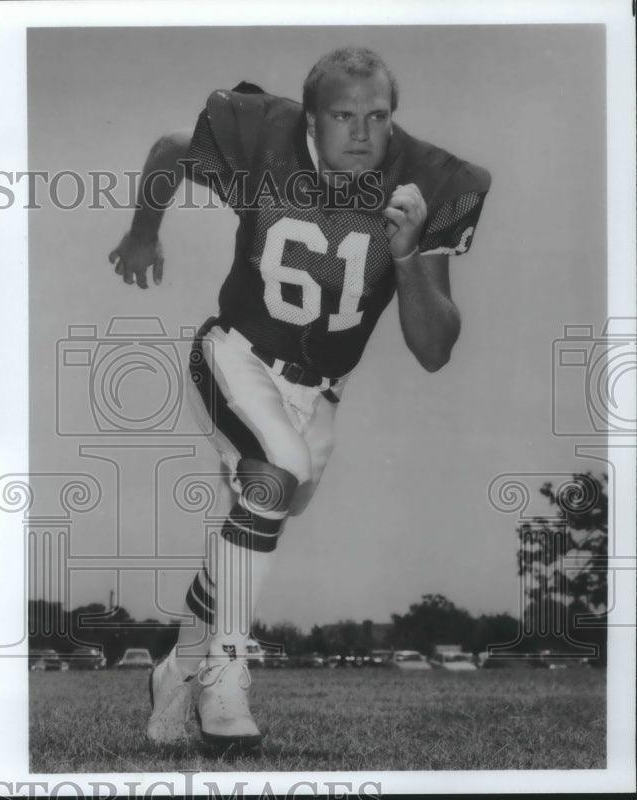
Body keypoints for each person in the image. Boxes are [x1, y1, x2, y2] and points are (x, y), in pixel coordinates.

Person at [109, 47, 490, 750]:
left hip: (320, 396)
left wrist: (407, 257)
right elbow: (168, 153)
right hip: (234, 356)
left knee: (259, 511)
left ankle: (177, 669)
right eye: (343, 116)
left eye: (377, 117)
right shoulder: (264, 143)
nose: (361, 134)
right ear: (310, 118)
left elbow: (435, 350)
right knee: (272, 472)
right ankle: (226, 678)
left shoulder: (425, 183)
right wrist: (143, 231)